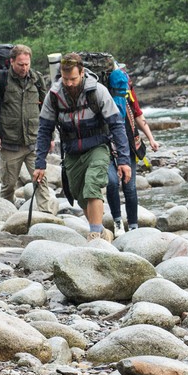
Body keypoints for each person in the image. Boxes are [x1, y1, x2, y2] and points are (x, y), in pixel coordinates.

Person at [32, 53, 131, 242]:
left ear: (82, 72)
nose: (69, 83)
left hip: (98, 146)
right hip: (72, 150)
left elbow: (116, 125)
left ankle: (94, 235)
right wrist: (40, 163)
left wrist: (124, 161)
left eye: (73, 79)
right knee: (79, 194)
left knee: (93, 184)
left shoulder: (98, 91)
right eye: (65, 78)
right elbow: (45, 130)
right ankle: (102, 231)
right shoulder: (53, 96)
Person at [0, 44, 52, 209]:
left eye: (27, 64)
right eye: (21, 64)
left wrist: (51, 137)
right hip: (9, 143)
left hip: (34, 141)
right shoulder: (1, 80)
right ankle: (5, 216)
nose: (24, 68)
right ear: (12, 61)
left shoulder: (37, 79)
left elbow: (48, 109)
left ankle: (46, 214)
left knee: (41, 181)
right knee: (8, 185)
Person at [105, 68, 160, 237]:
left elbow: (138, 115)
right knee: (113, 183)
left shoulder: (129, 94)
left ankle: (134, 225)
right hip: (106, 146)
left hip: (129, 144)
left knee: (130, 187)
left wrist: (151, 139)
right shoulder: (102, 96)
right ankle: (117, 222)